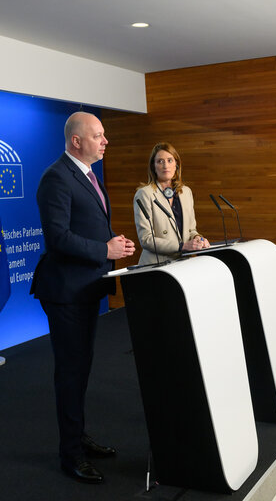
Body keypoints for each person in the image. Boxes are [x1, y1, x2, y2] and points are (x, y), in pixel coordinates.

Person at [30, 111, 135, 484]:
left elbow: (88, 227)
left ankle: (78, 436)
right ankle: (70, 454)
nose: (105, 141)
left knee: (81, 370)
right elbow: (57, 238)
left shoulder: (88, 175)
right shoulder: (56, 178)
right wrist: (103, 250)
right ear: (77, 141)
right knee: (70, 374)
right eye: (98, 135)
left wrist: (109, 245)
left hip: (87, 288)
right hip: (66, 293)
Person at [134, 142, 210, 265]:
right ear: (153, 166)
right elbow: (146, 239)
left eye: (170, 160)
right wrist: (182, 246)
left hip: (182, 264)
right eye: (160, 161)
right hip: (156, 266)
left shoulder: (186, 192)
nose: (165, 166)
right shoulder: (144, 194)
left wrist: (197, 239)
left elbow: (191, 230)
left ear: (177, 165)